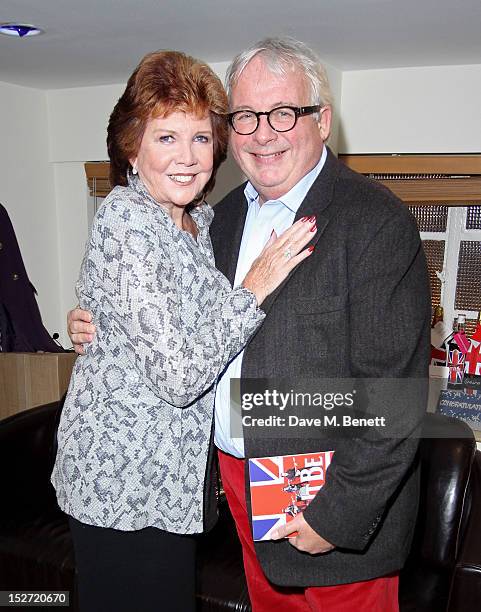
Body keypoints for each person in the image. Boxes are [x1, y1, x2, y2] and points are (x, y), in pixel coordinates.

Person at [68, 38, 431, 612]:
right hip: (233, 485)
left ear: (323, 122)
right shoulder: (220, 218)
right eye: (244, 117)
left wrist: (337, 514)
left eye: (283, 112)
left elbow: (396, 394)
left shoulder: (374, 220)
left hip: (328, 493)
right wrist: (99, 321)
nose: (263, 133)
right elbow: (171, 316)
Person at [53, 48, 316, 612]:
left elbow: (143, 317)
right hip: (121, 479)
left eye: (200, 138)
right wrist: (255, 285)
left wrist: (94, 322)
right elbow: (178, 375)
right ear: (132, 147)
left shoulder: (201, 225)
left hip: (169, 482)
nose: (187, 156)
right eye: (165, 137)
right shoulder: (127, 216)